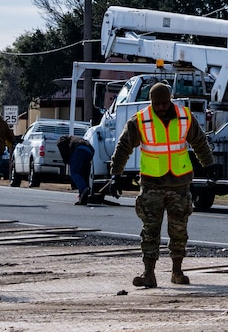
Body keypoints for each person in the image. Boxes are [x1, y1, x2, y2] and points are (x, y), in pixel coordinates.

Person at [108, 81, 212, 289]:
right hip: (152, 183)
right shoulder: (140, 120)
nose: (161, 107)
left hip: (179, 183)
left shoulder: (185, 117)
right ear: (152, 102)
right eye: (157, 104)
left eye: (164, 103)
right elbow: (124, 146)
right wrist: (116, 173)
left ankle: (177, 271)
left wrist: (208, 164)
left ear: (170, 100)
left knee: (179, 229)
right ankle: (148, 274)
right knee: (150, 229)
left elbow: (199, 141)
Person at [61, 133, 96, 205]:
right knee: (83, 174)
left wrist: (65, 160)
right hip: (90, 151)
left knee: (75, 173)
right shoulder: (78, 139)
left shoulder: (63, 140)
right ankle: (82, 197)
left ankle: (83, 189)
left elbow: (62, 147)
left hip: (79, 150)